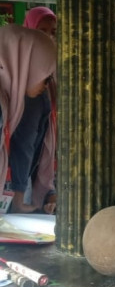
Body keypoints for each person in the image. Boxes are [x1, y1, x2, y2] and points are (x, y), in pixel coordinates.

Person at [0, 23, 56, 211]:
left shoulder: (10, 101)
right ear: (26, 65)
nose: (47, 86)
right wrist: (18, 197)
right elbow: (25, 144)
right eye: (46, 77)